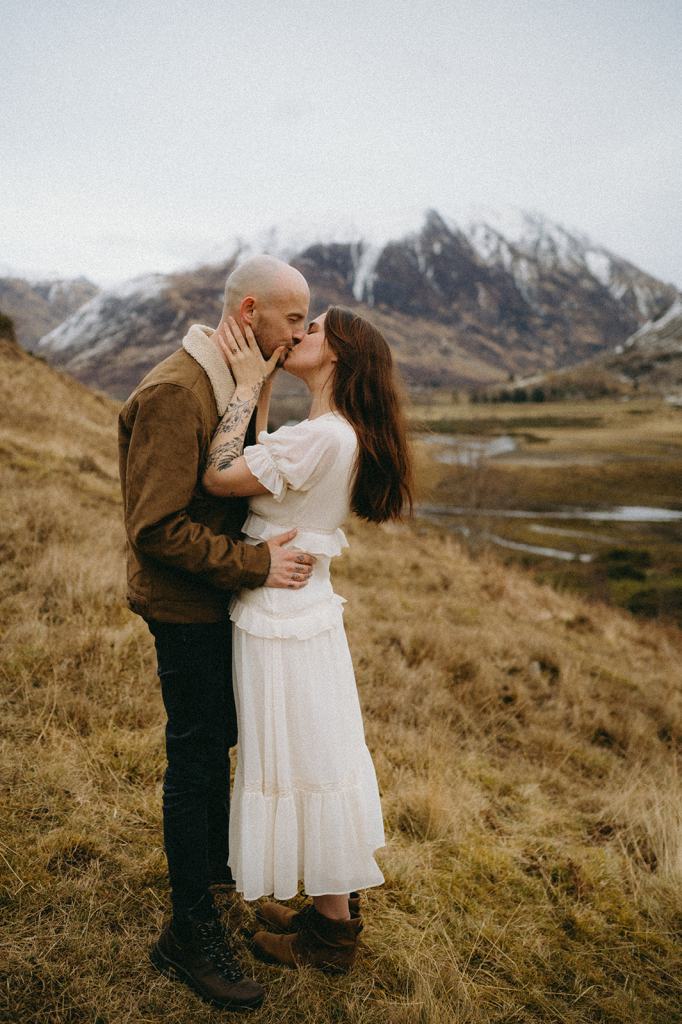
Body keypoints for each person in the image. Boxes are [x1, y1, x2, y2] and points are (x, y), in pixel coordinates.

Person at [117, 255, 317, 1011]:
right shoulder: (176, 392)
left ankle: (214, 886)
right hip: (183, 604)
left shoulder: (230, 379)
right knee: (196, 756)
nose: (300, 332)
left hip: (216, 599)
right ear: (251, 312)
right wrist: (255, 564)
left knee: (216, 745)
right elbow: (156, 529)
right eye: (294, 317)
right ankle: (188, 934)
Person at [201, 304, 414, 973]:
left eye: (314, 329)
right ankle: (332, 913)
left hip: (281, 616)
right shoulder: (334, 432)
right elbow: (269, 462)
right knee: (318, 752)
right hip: (303, 609)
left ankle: (329, 937)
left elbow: (220, 476)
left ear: (339, 356)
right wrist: (261, 390)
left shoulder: (323, 435)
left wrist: (240, 388)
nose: (299, 334)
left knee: (303, 761)